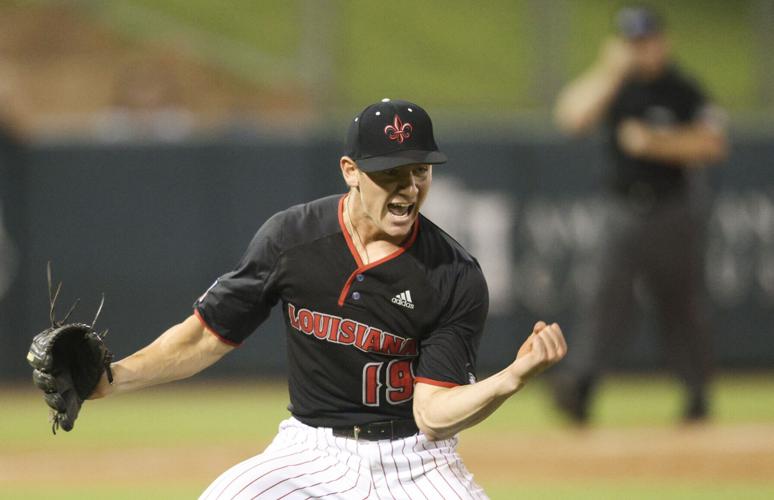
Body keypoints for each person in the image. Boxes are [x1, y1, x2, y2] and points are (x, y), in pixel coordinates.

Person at [89, 98, 567, 499]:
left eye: (420, 171)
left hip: (415, 461)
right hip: (310, 451)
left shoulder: (452, 273)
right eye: (390, 173)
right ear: (350, 172)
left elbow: (433, 415)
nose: (409, 188)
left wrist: (511, 377)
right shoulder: (291, 239)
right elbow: (204, 337)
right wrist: (112, 378)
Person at [552, 6, 727, 423]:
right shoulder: (616, 86)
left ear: (662, 42)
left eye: (645, 41)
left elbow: (713, 143)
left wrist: (656, 144)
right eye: (631, 42)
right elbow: (571, 116)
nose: (639, 50)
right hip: (622, 209)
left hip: (673, 209)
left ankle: (697, 394)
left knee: (681, 304)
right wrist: (609, 71)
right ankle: (581, 388)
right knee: (605, 298)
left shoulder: (682, 89)